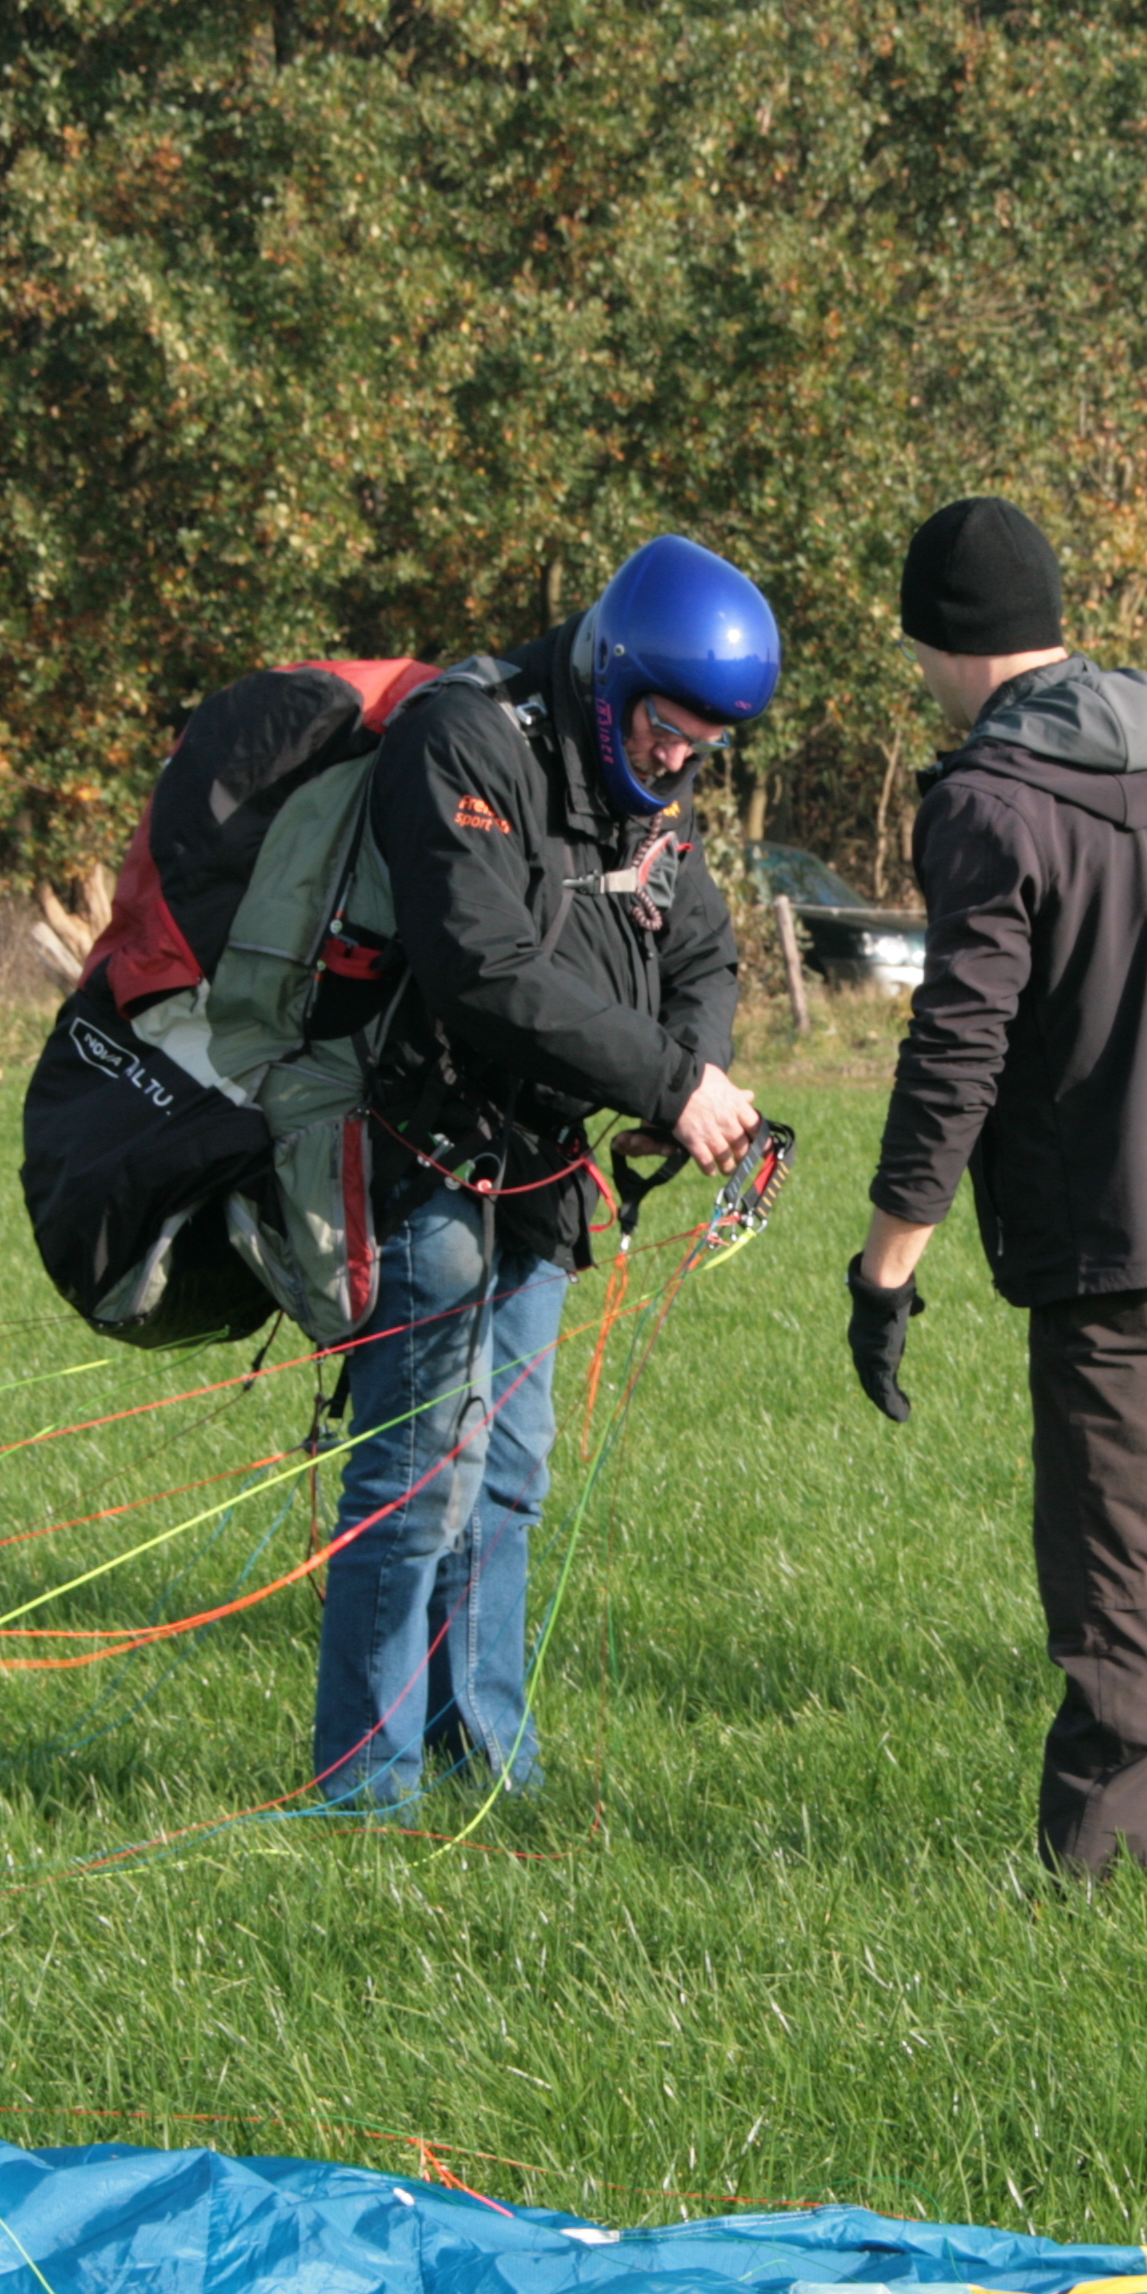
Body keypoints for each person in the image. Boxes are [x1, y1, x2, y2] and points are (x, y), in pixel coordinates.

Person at [843, 496, 1147, 1883]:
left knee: (1106, 1582)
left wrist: (886, 1266)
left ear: (940, 636)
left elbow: (957, 1053)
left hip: (1128, 1250)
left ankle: (1080, 1889)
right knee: (1143, 1554)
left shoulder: (987, 806)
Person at [312, 534, 777, 1808]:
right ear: (611, 676)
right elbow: (484, 967)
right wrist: (671, 1086)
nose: (678, 761)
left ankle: (486, 1759)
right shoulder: (465, 741)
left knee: (510, 1469)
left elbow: (705, 948)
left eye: (704, 745)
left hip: (546, 1167)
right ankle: (363, 1789)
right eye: (670, 728)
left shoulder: (645, 792)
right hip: (428, 1150)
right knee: (417, 1477)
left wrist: (688, 1069)